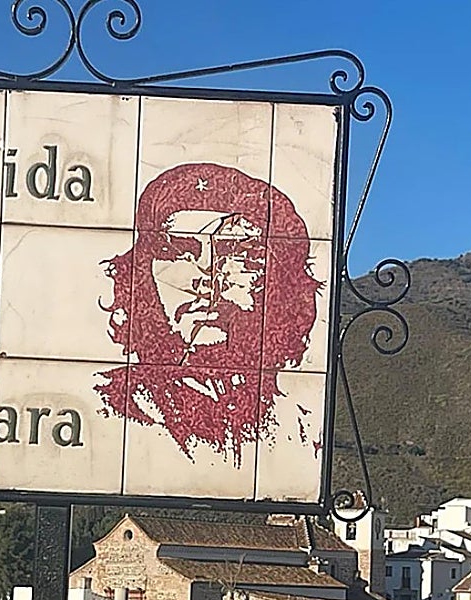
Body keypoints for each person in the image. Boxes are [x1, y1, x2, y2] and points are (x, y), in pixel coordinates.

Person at [96, 162, 322, 466]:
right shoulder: (116, 407)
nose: (208, 275)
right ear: (140, 274)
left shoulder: (297, 423)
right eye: (178, 250)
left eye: (238, 252)